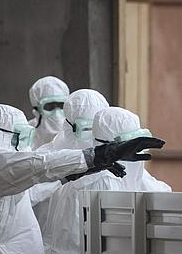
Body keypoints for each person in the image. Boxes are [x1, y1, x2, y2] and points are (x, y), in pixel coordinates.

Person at [0, 104, 164, 254]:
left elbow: (36, 184)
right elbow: (39, 166)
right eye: (24, 136)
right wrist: (97, 156)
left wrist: (82, 170)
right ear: (6, 133)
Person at [43, 107, 170, 254]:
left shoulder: (125, 174)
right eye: (129, 146)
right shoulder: (98, 183)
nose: (136, 153)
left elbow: (161, 194)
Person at [32, 88, 109, 239]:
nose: (92, 136)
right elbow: (27, 194)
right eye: (86, 128)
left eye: (97, 129)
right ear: (69, 126)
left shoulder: (111, 160)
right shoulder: (45, 157)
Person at [28, 76, 70, 150]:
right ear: (36, 110)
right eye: (49, 106)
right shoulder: (26, 136)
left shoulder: (76, 133)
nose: (56, 113)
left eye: (61, 105)